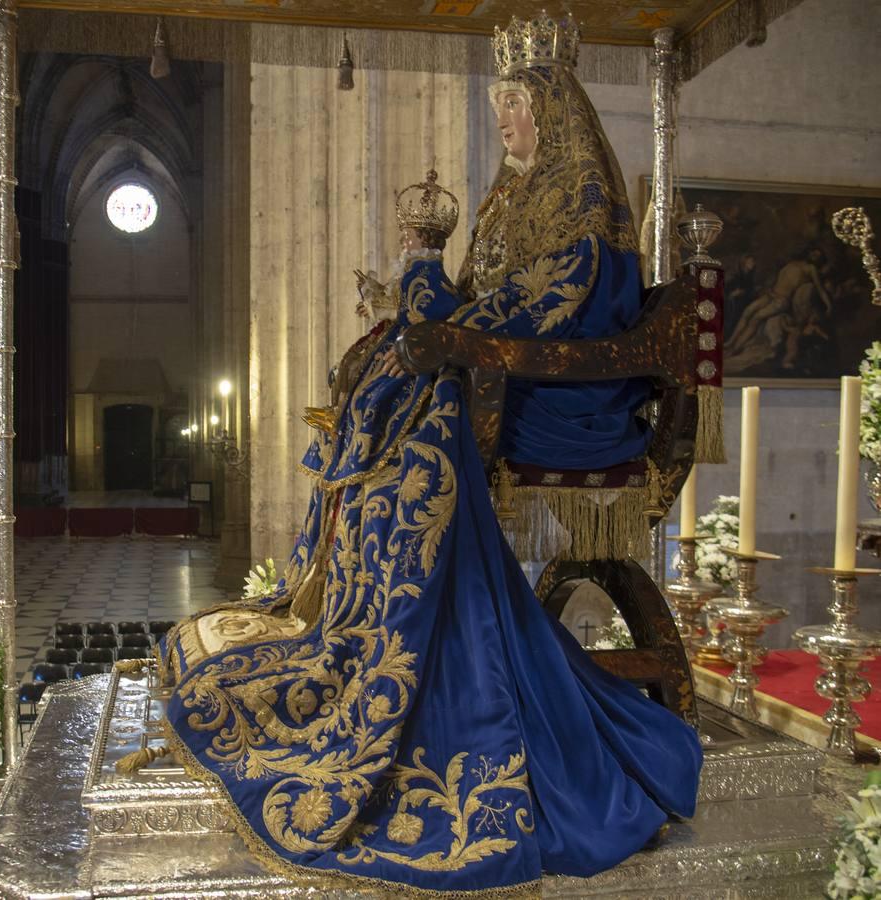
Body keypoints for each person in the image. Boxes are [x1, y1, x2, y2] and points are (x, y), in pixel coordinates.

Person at [158, 13, 702, 896]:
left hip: (567, 407)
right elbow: (475, 311)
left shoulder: (584, 212)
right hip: (511, 384)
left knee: (417, 443)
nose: (505, 124)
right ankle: (339, 627)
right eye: (500, 107)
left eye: (518, 107)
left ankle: (397, 656)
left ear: (555, 114)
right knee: (395, 398)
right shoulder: (512, 202)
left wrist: (433, 310)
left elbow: (543, 319)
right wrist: (420, 290)